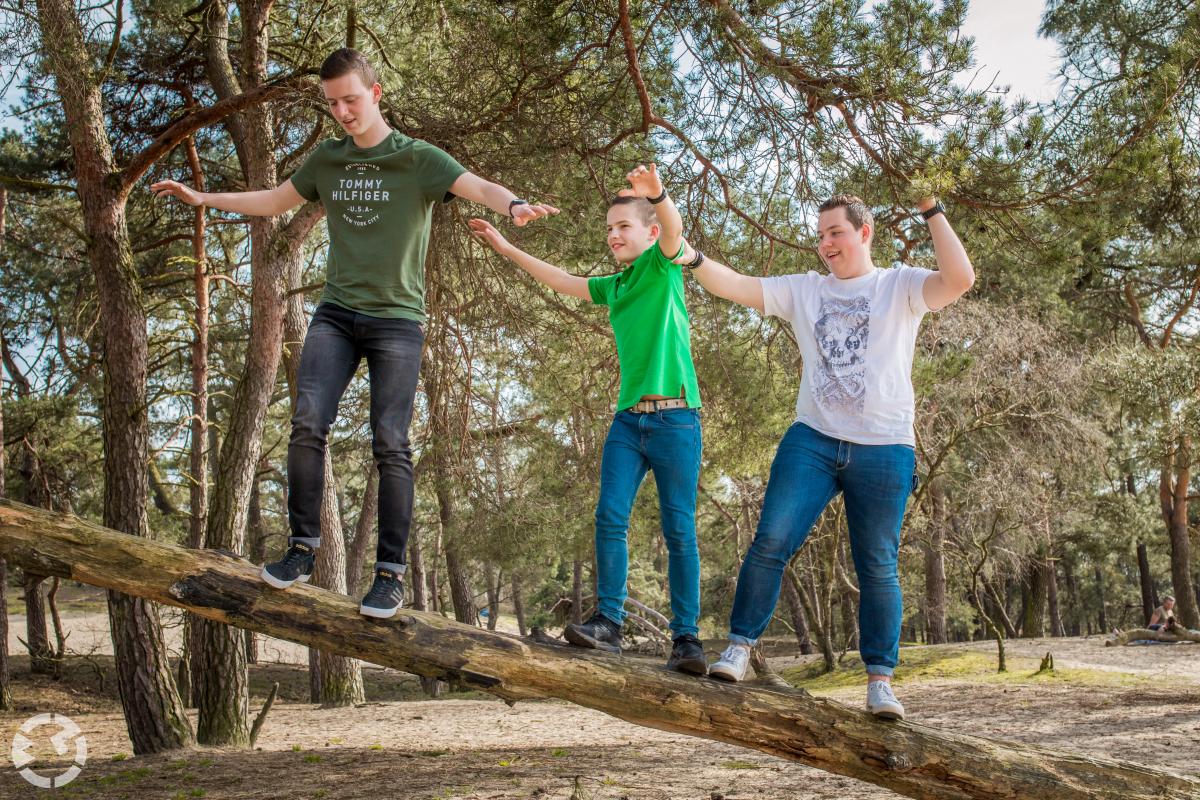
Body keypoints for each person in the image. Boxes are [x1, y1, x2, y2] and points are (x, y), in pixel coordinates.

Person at [152, 48, 556, 619]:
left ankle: (390, 575)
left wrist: (512, 204)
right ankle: (302, 549)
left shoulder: (417, 159)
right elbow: (274, 200)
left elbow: (478, 185)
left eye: (351, 98)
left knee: (391, 442)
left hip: (397, 322)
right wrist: (204, 198)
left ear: (376, 93)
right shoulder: (328, 161)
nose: (342, 111)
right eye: (333, 103)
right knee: (307, 422)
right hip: (336, 316)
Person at [675, 194, 974, 719]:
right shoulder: (805, 290)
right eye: (820, 235)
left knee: (877, 565)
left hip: (884, 446)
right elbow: (739, 285)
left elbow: (960, 278)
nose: (825, 244)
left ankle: (880, 682)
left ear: (865, 232)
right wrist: (692, 258)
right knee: (771, 540)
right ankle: (739, 647)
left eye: (835, 232)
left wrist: (932, 209)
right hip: (812, 439)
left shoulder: (899, 285)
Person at [468, 164, 708, 676]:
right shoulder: (617, 285)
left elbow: (675, 230)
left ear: (649, 233)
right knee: (609, 517)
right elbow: (561, 280)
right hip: (628, 422)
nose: (613, 235)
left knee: (679, 530)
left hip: (676, 419)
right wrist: (505, 248)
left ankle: (687, 640)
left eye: (624, 226)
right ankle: (609, 625)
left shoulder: (663, 265)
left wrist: (658, 195)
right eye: (609, 229)